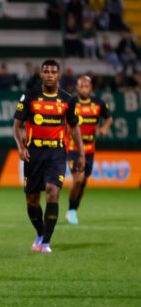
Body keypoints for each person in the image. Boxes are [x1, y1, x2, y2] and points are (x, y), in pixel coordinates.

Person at [13, 59, 85, 253]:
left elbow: (75, 128)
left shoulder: (68, 99)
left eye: (54, 72)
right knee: (32, 200)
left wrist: (81, 152)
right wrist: (21, 147)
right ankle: (40, 233)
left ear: (59, 75)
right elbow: (17, 126)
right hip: (33, 153)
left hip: (56, 153)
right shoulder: (29, 96)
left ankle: (45, 243)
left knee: (53, 191)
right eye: (46, 72)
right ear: (41, 74)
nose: (50, 75)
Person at [66, 76, 112, 224]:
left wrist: (105, 127)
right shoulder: (71, 103)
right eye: (81, 86)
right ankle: (71, 210)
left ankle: (73, 210)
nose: (84, 89)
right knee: (78, 180)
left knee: (84, 182)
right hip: (74, 148)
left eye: (87, 86)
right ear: (77, 88)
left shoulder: (99, 103)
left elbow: (109, 118)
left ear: (91, 88)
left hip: (90, 149)